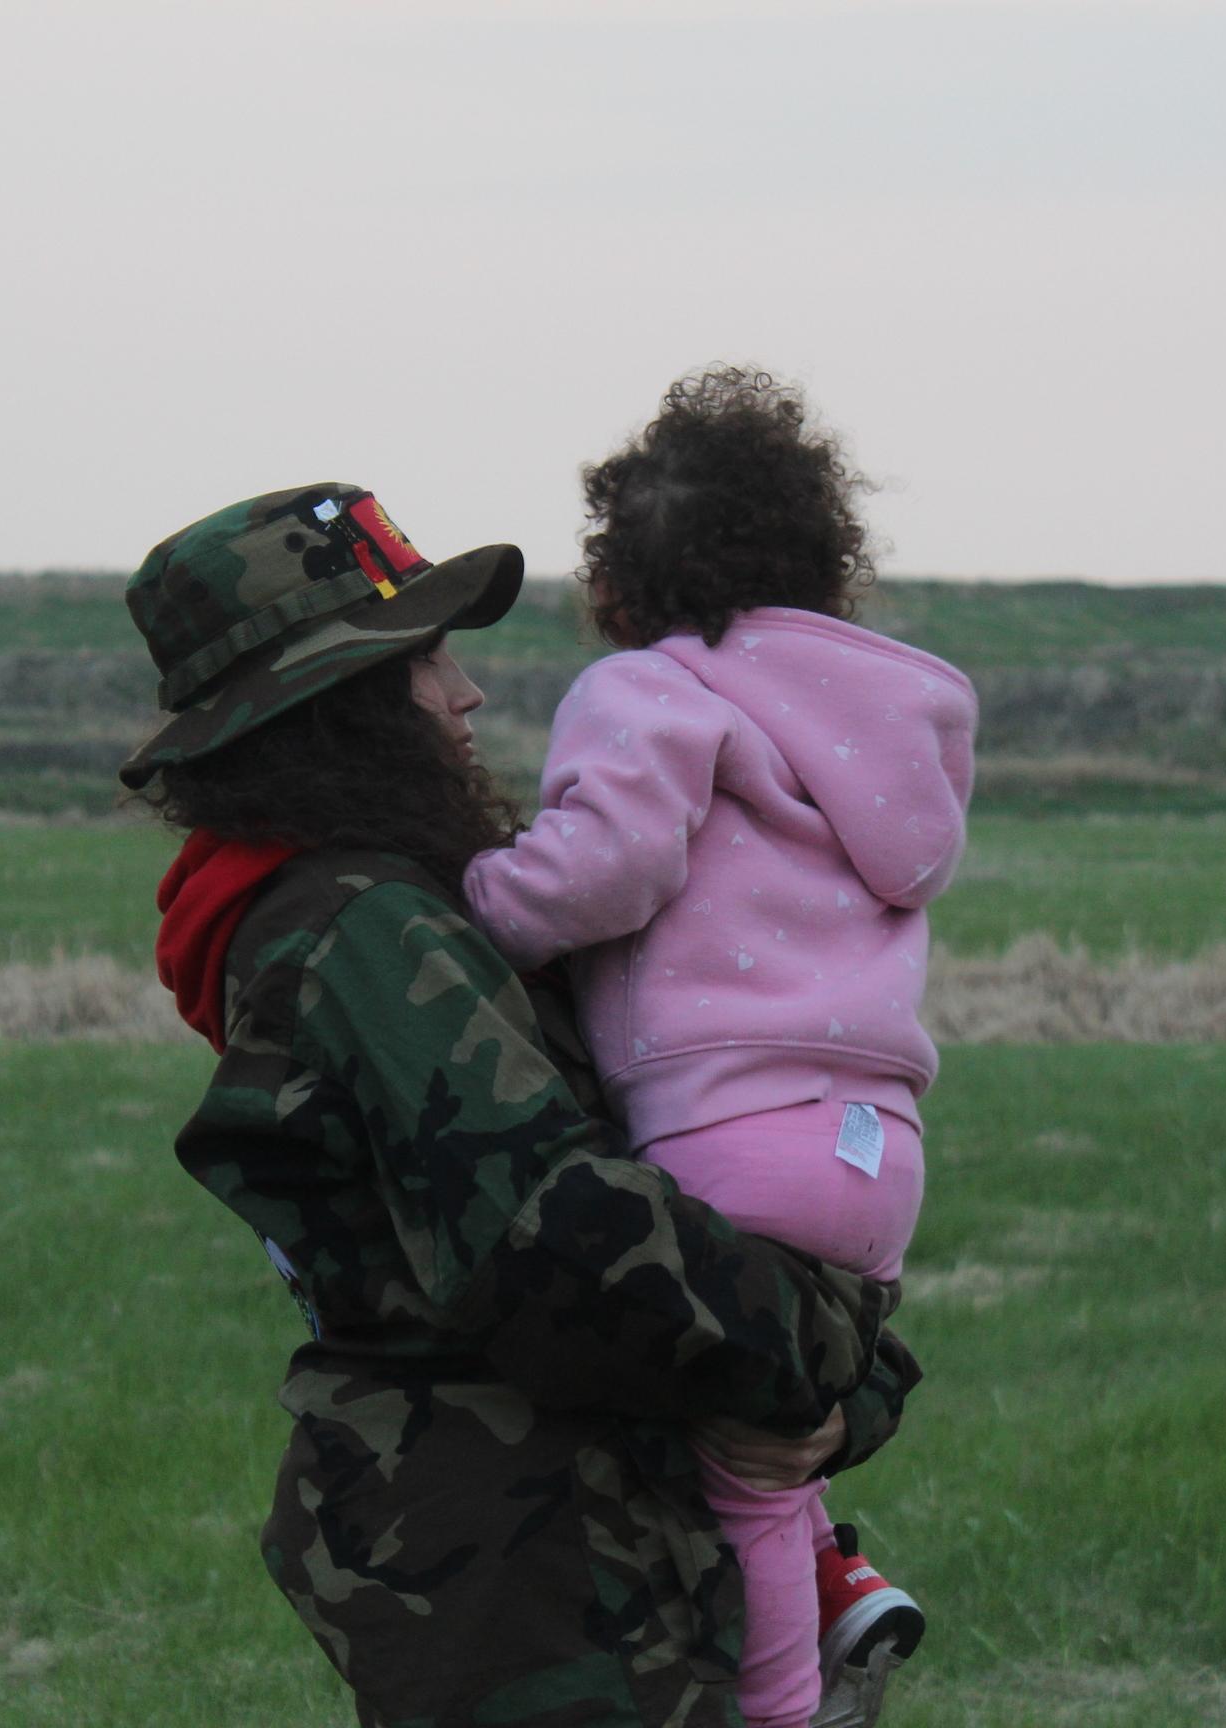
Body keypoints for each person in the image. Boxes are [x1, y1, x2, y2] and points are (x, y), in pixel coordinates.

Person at [118, 481, 922, 1728]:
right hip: (544, 1594)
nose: (463, 694)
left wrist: (841, 1387)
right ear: (327, 713)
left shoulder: (391, 909)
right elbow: (570, 1245)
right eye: (421, 663)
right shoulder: (365, 934)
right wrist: (838, 1360)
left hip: (591, 1557)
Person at [463, 370, 977, 1728]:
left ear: (622, 576)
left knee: (735, 1467)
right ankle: (844, 1584)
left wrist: (484, 903)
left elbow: (610, 864)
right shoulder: (882, 722)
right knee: (780, 1400)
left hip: (726, 1133)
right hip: (877, 1160)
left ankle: (780, 1708)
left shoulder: (651, 687)